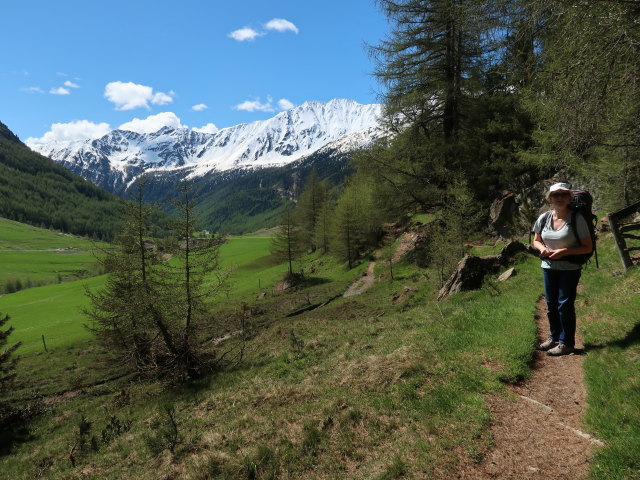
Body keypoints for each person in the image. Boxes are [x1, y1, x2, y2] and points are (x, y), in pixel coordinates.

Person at [532, 183, 593, 356]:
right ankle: (554, 337)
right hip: (548, 266)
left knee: (564, 305)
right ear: (550, 198)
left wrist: (566, 251)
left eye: (563, 195)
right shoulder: (544, 217)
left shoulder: (577, 219)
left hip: (570, 268)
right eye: (555, 195)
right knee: (551, 305)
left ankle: (567, 343)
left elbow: (587, 247)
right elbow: (536, 240)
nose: (559, 198)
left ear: (569, 197)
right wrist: (541, 248)